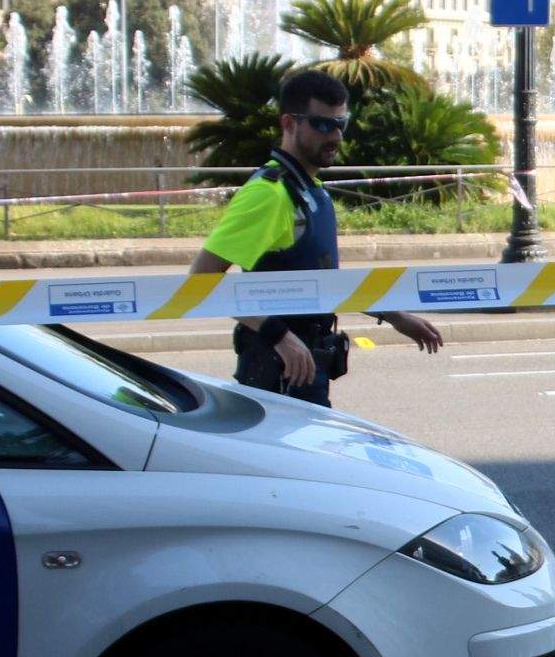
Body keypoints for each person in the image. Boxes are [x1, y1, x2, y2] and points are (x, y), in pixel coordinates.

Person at [190, 69, 445, 405]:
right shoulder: (269, 194)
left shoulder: (312, 190)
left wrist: (395, 315)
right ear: (289, 123)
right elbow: (201, 281)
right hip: (277, 376)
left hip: (307, 370)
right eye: (322, 125)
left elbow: (326, 283)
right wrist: (280, 337)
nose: (335, 136)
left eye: (341, 124)